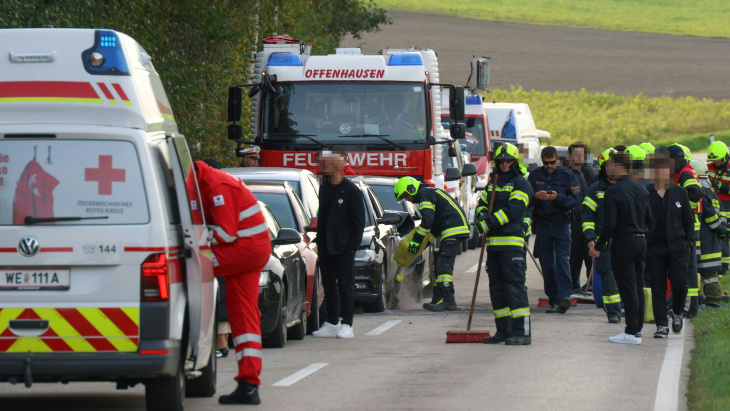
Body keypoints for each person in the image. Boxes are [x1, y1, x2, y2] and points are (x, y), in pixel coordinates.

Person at [193, 161, 271, 405]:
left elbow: (225, 233)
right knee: (243, 316)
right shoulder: (202, 182)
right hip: (250, 248)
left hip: (245, 247)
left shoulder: (215, 184)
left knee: (189, 266)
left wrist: (192, 237)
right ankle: (249, 385)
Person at [475, 143, 534, 345]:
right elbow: (482, 204)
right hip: (494, 245)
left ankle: (522, 333)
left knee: (515, 289)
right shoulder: (493, 183)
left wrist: (488, 222)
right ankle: (504, 331)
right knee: (497, 290)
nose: (505, 164)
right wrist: (481, 216)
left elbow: (513, 210)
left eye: (509, 161)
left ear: (515, 162)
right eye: (501, 161)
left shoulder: (522, 184)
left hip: (511, 245)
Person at [589, 151, 651, 345]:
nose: (607, 168)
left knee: (627, 287)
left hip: (623, 243)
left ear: (620, 167)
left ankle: (631, 332)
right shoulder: (641, 189)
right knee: (637, 286)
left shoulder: (613, 192)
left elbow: (609, 225)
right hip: (640, 241)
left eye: (610, 165)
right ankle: (637, 328)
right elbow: (649, 219)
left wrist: (598, 247)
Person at [394, 174, 470, 312]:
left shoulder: (423, 194)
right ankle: (438, 299)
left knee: (443, 264)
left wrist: (416, 241)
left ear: (411, 189)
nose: (407, 200)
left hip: (453, 228)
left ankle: (449, 300)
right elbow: (434, 224)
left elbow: (427, 221)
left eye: (406, 196)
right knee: (438, 263)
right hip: (451, 227)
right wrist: (423, 244)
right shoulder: (428, 192)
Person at [311, 148, 366, 338]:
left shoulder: (352, 191)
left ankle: (347, 323)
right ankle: (332, 321)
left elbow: (359, 222)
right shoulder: (324, 187)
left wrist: (352, 246)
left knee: (345, 286)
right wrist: (319, 240)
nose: (324, 167)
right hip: (326, 246)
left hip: (344, 249)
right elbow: (323, 216)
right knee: (328, 285)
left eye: (329, 163)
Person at [644, 154, 693, 338]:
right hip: (654, 249)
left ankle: (678, 313)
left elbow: (688, 220)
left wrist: (688, 243)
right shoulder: (647, 194)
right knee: (657, 287)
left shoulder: (679, 192)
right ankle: (662, 325)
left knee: (680, 284)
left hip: (678, 248)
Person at [527, 146, 581, 314]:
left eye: (552, 163)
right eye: (546, 163)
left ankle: (564, 296)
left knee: (562, 261)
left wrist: (559, 198)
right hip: (543, 224)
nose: (549, 166)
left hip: (561, 223)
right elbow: (525, 197)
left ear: (557, 159)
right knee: (547, 263)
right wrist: (535, 197)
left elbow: (577, 198)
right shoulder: (535, 175)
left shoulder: (567, 175)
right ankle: (553, 300)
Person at [581, 148, 623, 323]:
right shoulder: (595, 189)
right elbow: (587, 215)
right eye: (608, 165)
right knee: (607, 275)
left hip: (625, 239)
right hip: (603, 241)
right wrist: (591, 238)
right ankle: (613, 312)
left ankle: (632, 308)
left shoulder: (628, 187)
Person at [201, 158, 232, 359]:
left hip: (217, 252)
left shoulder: (215, 193)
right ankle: (223, 342)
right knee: (222, 296)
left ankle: (221, 344)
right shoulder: (227, 190)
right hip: (225, 252)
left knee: (218, 296)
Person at [668, 144, 703, 317]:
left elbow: (696, 192)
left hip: (688, 226)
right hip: (689, 224)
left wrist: (684, 211)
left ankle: (689, 307)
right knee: (687, 267)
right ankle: (688, 305)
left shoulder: (685, 173)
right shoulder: (684, 170)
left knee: (688, 267)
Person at [691, 159, 728, 308]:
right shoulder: (710, 191)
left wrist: (720, 228)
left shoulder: (700, 192)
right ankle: (709, 298)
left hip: (705, 238)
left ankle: (713, 299)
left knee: (706, 272)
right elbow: (719, 212)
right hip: (712, 238)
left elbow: (710, 215)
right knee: (709, 272)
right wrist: (722, 229)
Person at [567, 143, 593, 293]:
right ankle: (572, 285)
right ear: (570, 156)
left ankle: (589, 285)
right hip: (572, 221)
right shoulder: (566, 175)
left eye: (582, 155)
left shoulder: (587, 173)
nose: (579, 157)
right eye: (576, 154)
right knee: (572, 256)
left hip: (586, 222)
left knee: (588, 254)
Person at [706, 141, 730, 275]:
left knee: (725, 237)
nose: (716, 163)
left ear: (725, 157)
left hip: (728, 207)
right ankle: (718, 266)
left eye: (718, 160)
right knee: (718, 236)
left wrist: (722, 186)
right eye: (713, 160)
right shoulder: (708, 167)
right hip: (714, 206)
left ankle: (724, 268)